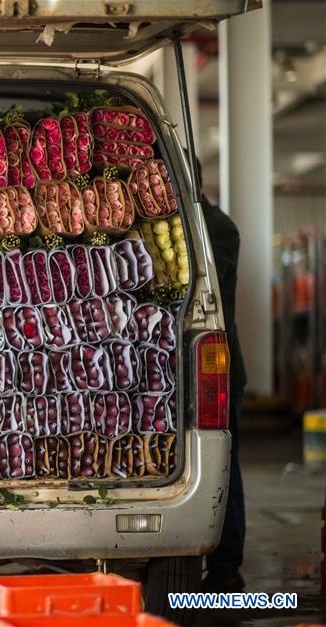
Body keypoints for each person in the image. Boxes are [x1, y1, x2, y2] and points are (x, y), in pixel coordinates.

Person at [196, 166, 248, 593]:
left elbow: (203, 277)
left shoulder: (217, 228)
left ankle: (227, 566)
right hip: (212, 364)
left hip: (220, 366)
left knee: (223, 464)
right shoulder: (203, 222)